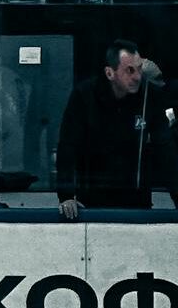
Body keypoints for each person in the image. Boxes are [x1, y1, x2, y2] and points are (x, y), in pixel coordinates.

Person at [55, 39, 170, 219]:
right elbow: (68, 146)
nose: (137, 76)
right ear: (110, 73)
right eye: (129, 70)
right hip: (92, 199)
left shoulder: (149, 95)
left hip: (137, 200)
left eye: (139, 68)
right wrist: (67, 195)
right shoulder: (85, 95)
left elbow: (164, 145)